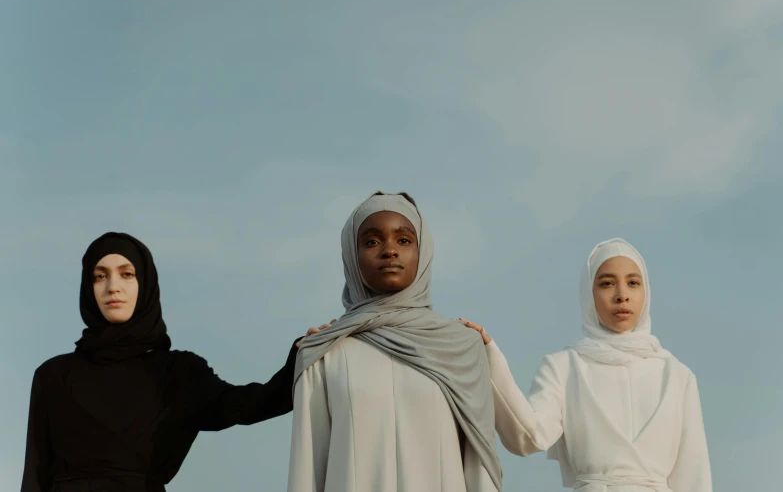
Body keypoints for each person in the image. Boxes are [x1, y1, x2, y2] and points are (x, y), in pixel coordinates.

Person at [21, 232, 323, 492]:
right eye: (100, 276)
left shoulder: (177, 373)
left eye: (127, 274)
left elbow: (249, 404)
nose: (113, 286)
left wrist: (301, 357)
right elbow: (34, 477)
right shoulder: (53, 376)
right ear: (89, 288)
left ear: (146, 282)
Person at [288, 192, 502, 492]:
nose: (389, 251)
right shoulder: (325, 352)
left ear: (422, 251)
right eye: (372, 241)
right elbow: (307, 470)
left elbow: (479, 467)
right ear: (352, 255)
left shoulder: (461, 347)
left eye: (404, 240)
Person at [462, 238, 712, 492]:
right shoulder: (564, 367)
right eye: (607, 284)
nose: (622, 295)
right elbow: (528, 437)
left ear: (646, 292)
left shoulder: (677, 375)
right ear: (588, 294)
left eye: (633, 283)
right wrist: (490, 358)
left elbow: (694, 473)